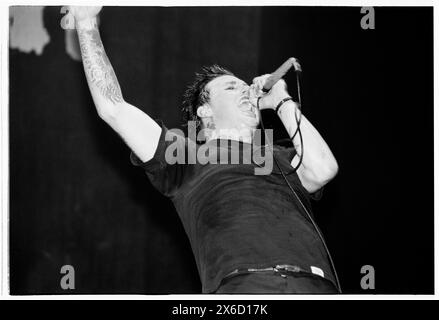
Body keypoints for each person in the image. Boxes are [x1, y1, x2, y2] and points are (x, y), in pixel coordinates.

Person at [70, 6, 340, 294]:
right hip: (245, 287)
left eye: (247, 88)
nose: (248, 92)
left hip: (319, 287)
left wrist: (281, 101)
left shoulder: (280, 156)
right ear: (205, 110)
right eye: (233, 88)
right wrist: (86, 22)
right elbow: (113, 108)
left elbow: (324, 168)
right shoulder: (185, 154)